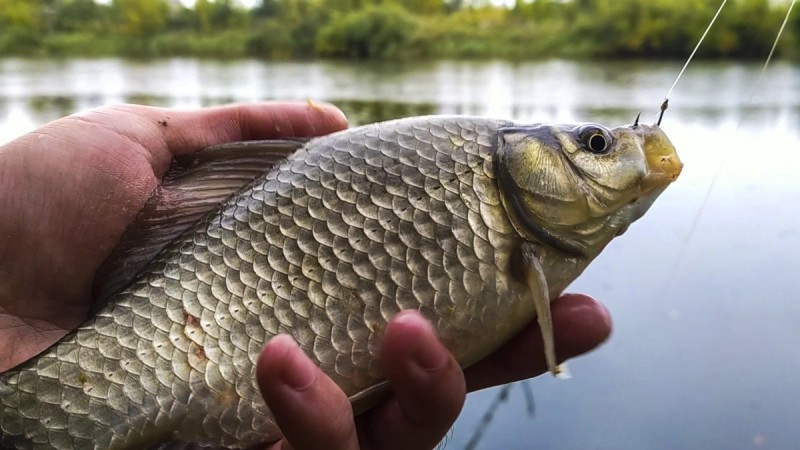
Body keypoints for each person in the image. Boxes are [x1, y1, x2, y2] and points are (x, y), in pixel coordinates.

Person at [0, 102, 612, 450]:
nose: (629, 152)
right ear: (522, 160)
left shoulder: (540, 235)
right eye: (596, 144)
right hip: (182, 321)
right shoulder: (497, 188)